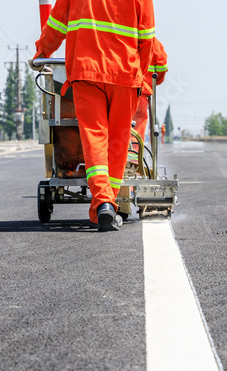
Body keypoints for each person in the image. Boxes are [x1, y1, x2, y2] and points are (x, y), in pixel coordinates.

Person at [33, 0, 156, 231]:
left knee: (94, 138)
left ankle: (103, 203)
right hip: (124, 74)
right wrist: (139, 75)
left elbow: (57, 23)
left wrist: (41, 52)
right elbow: (147, 38)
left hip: (86, 71)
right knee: (118, 141)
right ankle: (108, 203)